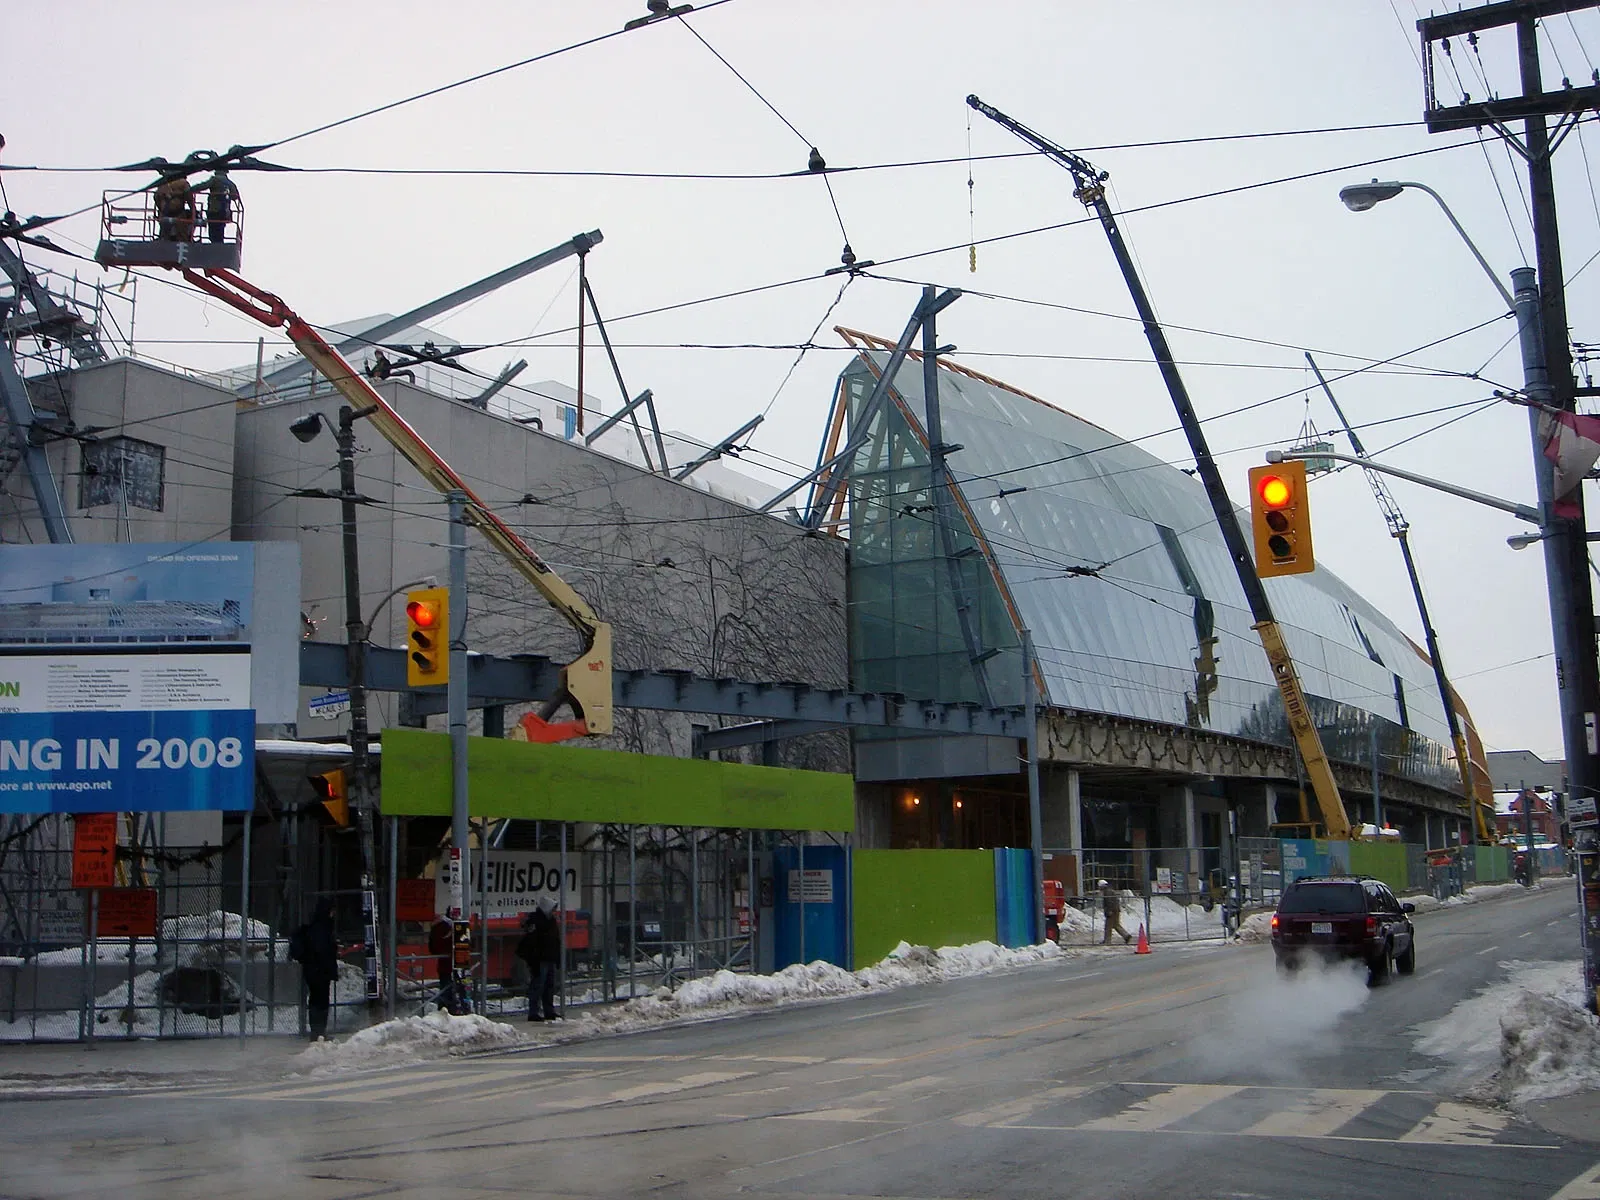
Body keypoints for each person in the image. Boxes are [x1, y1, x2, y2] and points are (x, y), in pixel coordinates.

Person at [289, 897, 339, 1040]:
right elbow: (322, 950)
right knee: (320, 1001)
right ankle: (318, 1032)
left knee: (316, 1000)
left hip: (313, 970)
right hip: (319, 970)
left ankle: (317, 1031)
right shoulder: (322, 928)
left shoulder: (315, 926)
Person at [517, 901, 561, 1021]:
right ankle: (533, 1012)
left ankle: (549, 1011)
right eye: (552, 909)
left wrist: (557, 957)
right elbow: (532, 942)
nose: (554, 912)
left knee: (549, 986)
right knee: (538, 985)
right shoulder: (536, 922)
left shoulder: (551, 921)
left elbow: (555, 940)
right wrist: (533, 960)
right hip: (539, 959)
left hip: (549, 957)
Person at [152, 174, 194, 242]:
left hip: (164, 212)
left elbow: (156, 197)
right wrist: (193, 210)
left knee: (164, 235)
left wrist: (160, 208)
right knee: (182, 236)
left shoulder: (162, 184)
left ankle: (163, 242)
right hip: (178, 212)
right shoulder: (183, 183)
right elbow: (189, 197)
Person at [429, 916, 457, 1014]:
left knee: (445, 987)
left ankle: (444, 1008)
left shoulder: (436, 928)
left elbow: (432, 948)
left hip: (444, 964)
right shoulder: (453, 926)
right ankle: (453, 1008)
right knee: (456, 987)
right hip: (456, 961)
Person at [202, 169, 239, 244]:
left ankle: (215, 244)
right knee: (220, 230)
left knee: (213, 231)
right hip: (225, 212)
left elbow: (203, 186)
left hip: (214, 210)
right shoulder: (230, 183)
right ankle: (219, 244)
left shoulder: (215, 180)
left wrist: (190, 190)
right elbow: (235, 196)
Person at [1099, 879, 1132, 946]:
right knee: (1116, 925)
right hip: (1116, 910)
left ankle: (1107, 941)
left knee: (1108, 926)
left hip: (1112, 911)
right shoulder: (1110, 890)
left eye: (1099, 887)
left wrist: (1109, 911)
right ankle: (1126, 936)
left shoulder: (1107, 892)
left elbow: (1109, 902)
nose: (1099, 888)